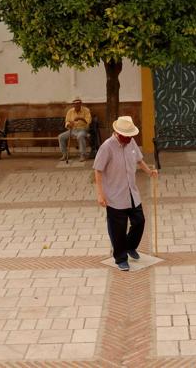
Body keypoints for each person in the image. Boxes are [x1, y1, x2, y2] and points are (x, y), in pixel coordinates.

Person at [93, 116, 158, 271]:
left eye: (130, 135)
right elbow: (98, 170)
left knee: (139, 221)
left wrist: (149, 171)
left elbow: (139, 160)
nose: (129, 138)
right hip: (115, 196)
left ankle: (130, 246)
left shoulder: (131, 142)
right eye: (126, 135)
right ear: (117, 132)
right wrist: (100, 194)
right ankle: (120, 258)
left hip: (132, 193)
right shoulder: (107, 147)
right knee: (118, 229)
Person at [58, 97, 92, 162]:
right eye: (75, 104)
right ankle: (64, 154)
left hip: (83, 129)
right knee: (61, 137)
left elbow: (89, 121)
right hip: (73, 130)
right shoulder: (70, 111)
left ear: (81, 104)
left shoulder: (86, 110)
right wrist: (68, 124)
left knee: (80, 136)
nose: (76, 105)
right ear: (73, 105)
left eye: (78, 104)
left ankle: (82, 155)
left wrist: (81, 118)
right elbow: (67, 121)